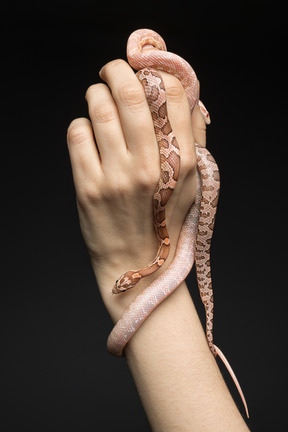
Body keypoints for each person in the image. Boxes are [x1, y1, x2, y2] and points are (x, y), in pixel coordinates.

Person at [66, 57, 250, 432]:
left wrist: (127, 259)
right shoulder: (154, 260)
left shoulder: (140, 269)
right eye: (126, 282)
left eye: (126, 281)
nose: (123, 284)